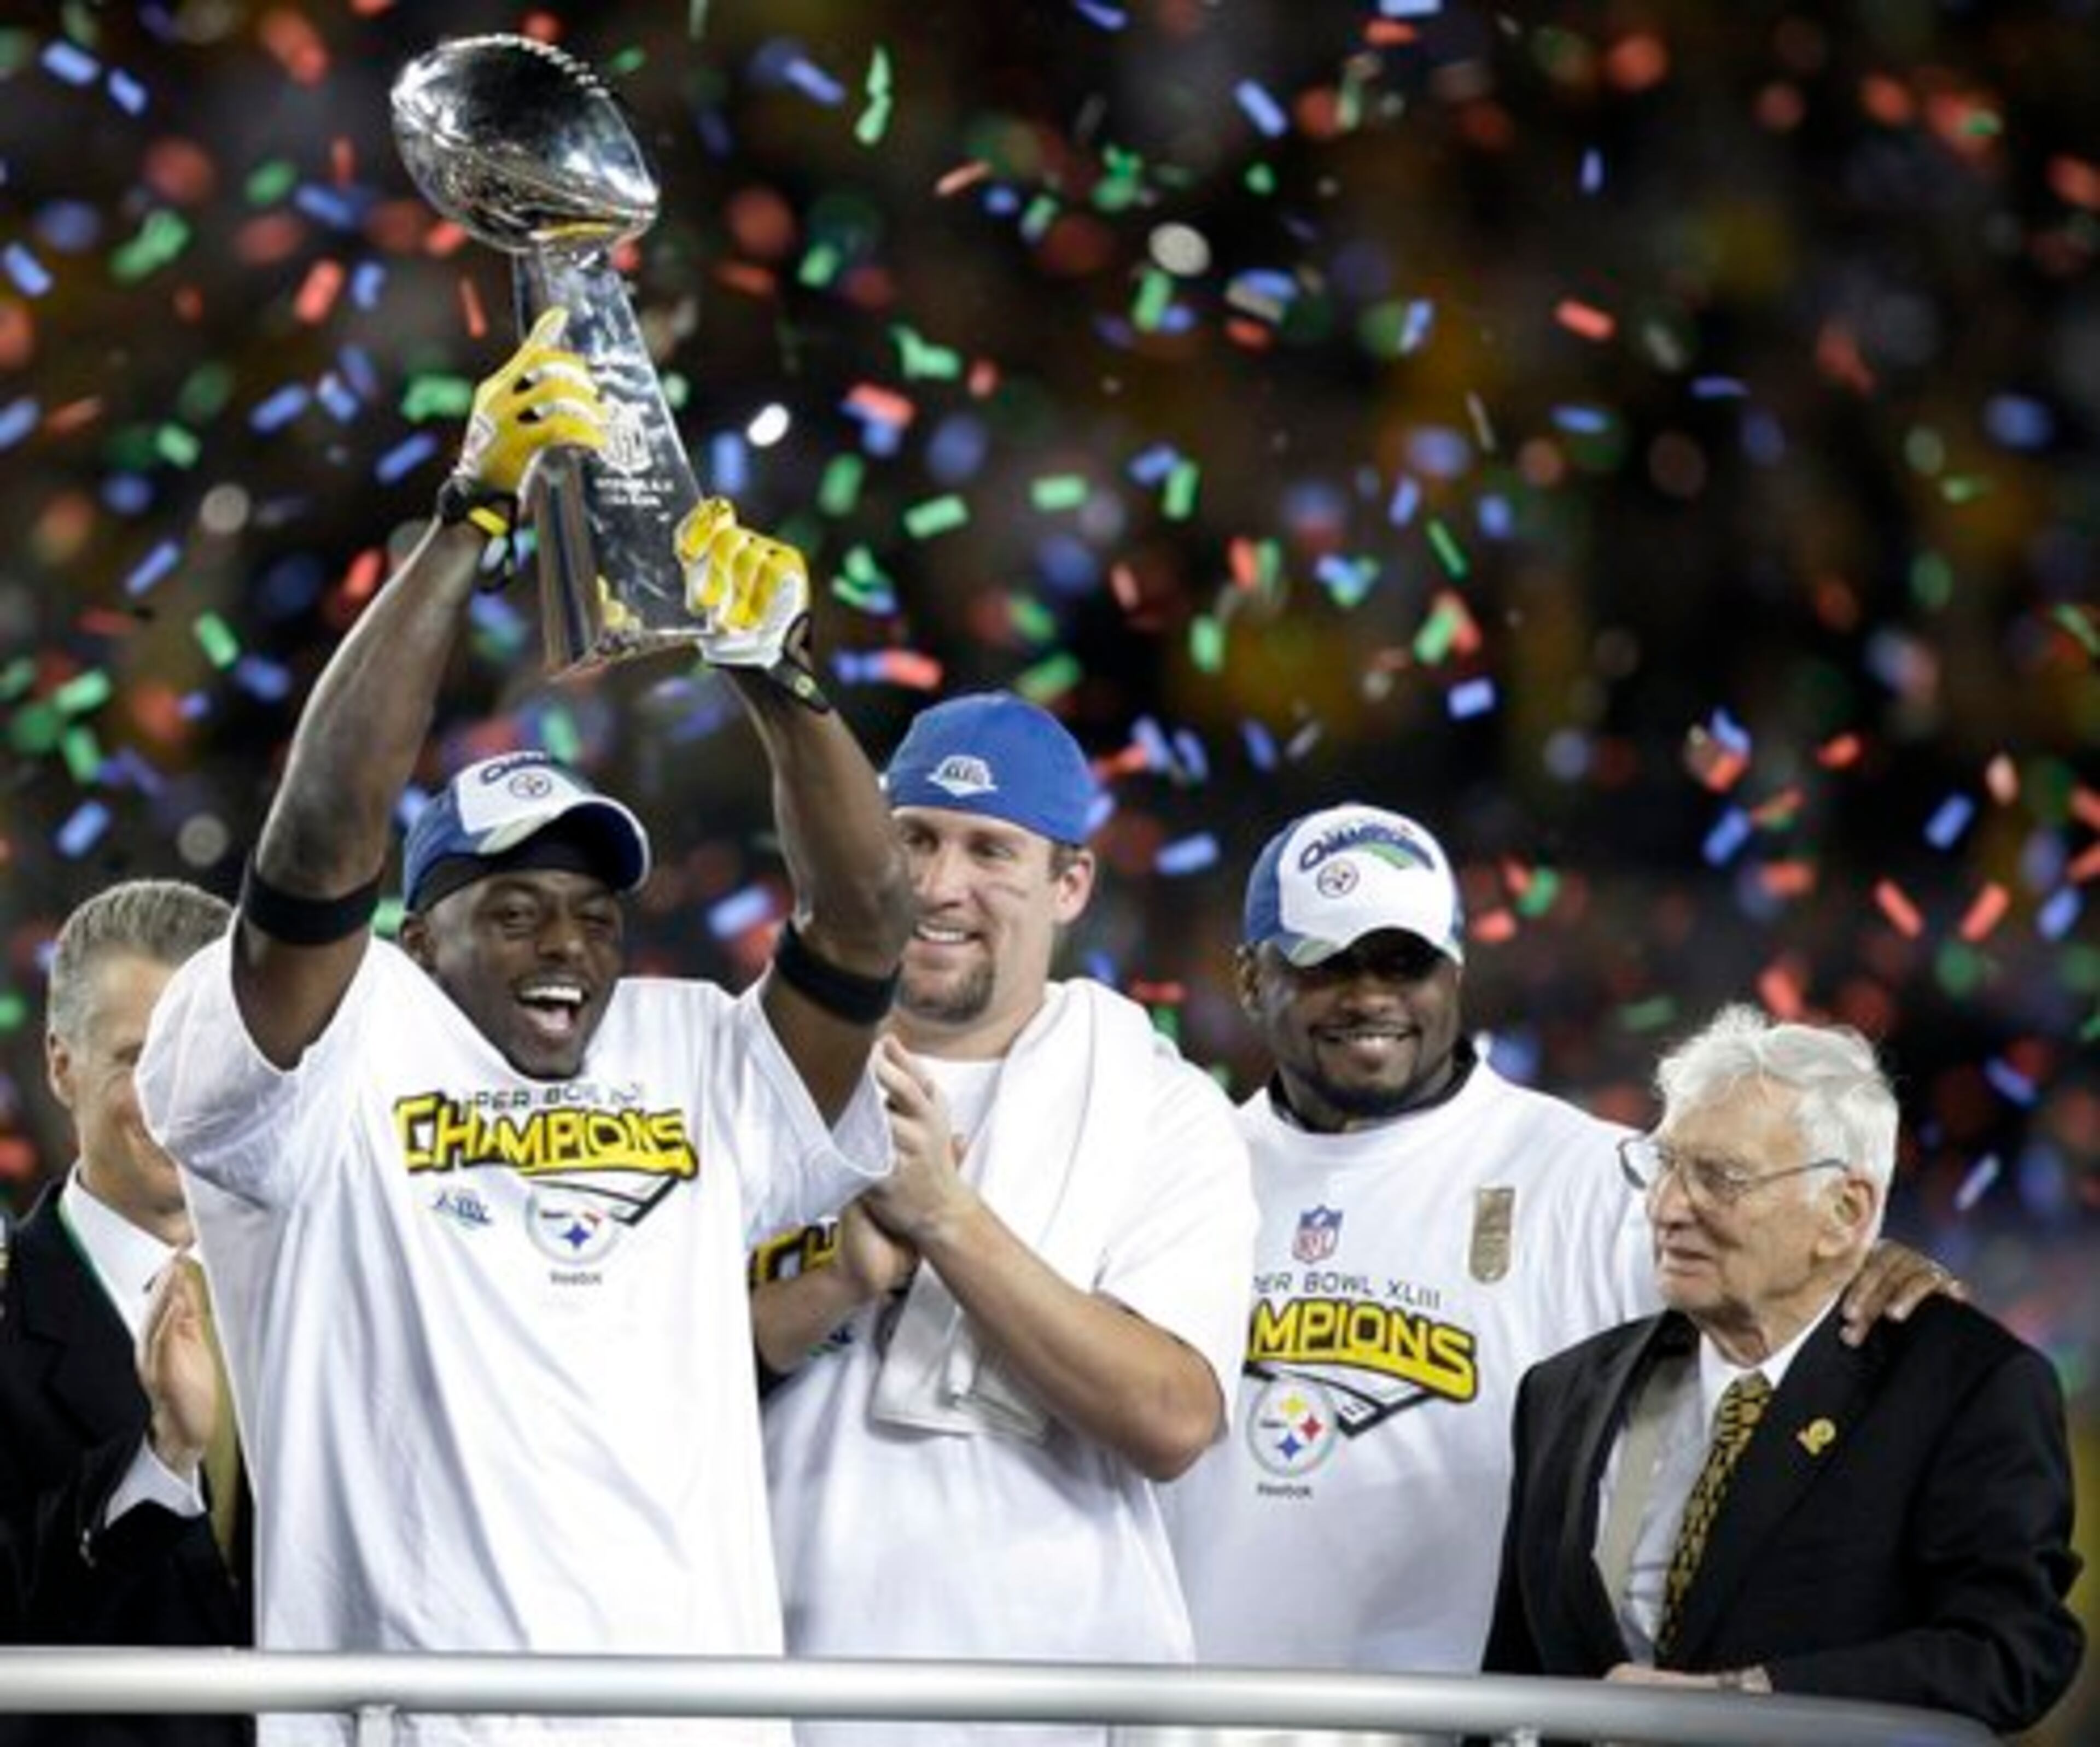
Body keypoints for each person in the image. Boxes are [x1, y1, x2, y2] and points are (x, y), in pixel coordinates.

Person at [135, 310, 912, 1746]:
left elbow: (868, 929)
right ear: (413, 933)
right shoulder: (333, 1054)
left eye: (595, 909)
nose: (569, 942)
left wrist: (779, 680)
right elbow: (313, 850)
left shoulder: (692, 1053)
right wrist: (466, 519)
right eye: (513, 910)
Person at [1160, 804, 1962, 1728]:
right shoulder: (1183, 1164)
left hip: (1484, 1730)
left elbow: (1787, 1318)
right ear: (1249, 978)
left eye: (1403, 961)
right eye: (1325, 962)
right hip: (1193, 1721)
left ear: (1455, 971)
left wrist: (1863, 1273)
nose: (1369, 995)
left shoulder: (1594, 1180)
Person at [749, 691, 1257, 1745]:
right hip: (766, 1683)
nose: (939, 885)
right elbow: (649, 1368)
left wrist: (947, 1219)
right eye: (915, 839)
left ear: (1070, 883)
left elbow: (1171, 1418)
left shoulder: (1159, 1108)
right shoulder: (752, 1063)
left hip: (1042, 1699)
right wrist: (837, 1283)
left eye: (990, 851)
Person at [1482, 1004, 2082, 1734]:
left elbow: (2010, 1652)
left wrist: (1749, 1699)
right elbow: (1514, 1676)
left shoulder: (1966, 1386)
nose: (1668, 1208)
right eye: (1665, 1165)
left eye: (1721, 1177)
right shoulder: (1562, 1392)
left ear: (1844, 1212)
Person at [1, 878, 251, 1747]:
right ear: (61, 1066)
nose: (181, 1099)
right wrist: (162, 1457)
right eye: (142, 1059)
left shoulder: (318, 1293)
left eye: (205, 1058)